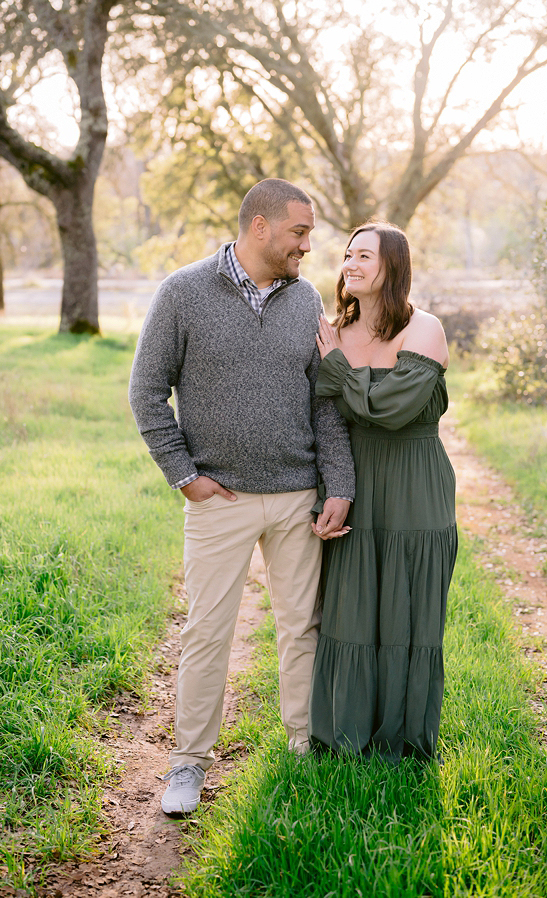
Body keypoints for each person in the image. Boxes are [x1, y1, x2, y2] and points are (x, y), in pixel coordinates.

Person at [129, 179, 355, 815]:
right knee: (206, 632)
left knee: (301, 629)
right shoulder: (183, 293)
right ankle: (188, 764)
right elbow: (146, 391)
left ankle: (303, 745)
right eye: (299, 233)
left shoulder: (304, 297)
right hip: (217, 501)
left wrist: (338, 484)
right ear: (260, 227)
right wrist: (183, 473)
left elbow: (325, 402)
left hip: (296, 498)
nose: (308, 246)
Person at [307, 220, 457, 762]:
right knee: (350, 609)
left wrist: (341, 372)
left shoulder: (424, 329)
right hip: (355, 481)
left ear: (393, 265)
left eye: (364, 256)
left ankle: (402, 741)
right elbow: (324, 415)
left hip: (416, 485)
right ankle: (343, 737)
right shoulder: (333, 333)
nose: (350, 263)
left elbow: (393, 410)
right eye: (347, 255)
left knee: (407, 612)